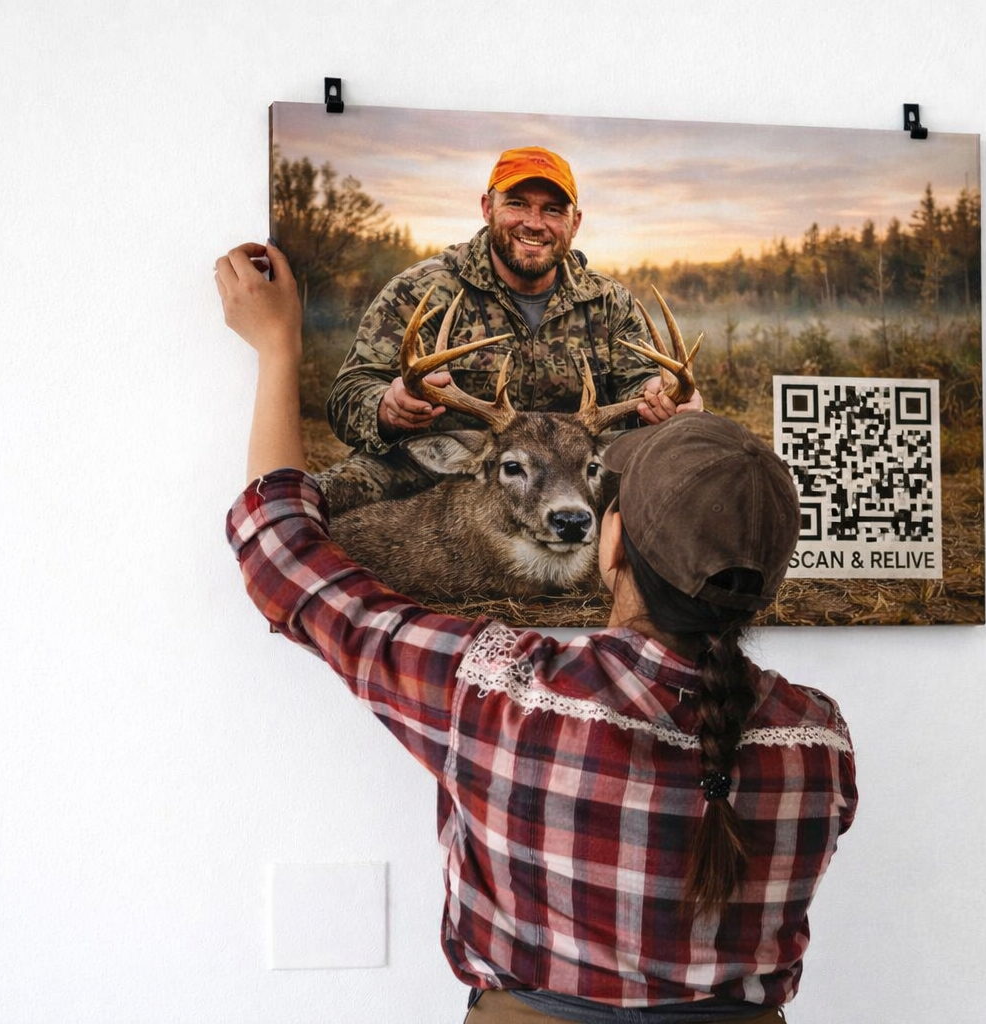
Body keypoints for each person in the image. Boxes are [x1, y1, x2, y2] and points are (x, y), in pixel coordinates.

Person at [216, 242, 855, 1023]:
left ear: (610, 544)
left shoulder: (504, 697)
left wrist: (277, 349)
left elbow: (282, 556)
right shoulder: (818, 741)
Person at [319, 145, 702, 513]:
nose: (534, 223)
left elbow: (642, 386)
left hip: (573, 475)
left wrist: (668, 401)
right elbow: (349, 393)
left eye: (553, 209)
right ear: (488, 208)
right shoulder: (422, 290)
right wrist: (386, 407)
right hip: (445, 468)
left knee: (692, 487)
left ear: (575, 223)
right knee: (319, 498)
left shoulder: (608, 302)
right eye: (517, 203)